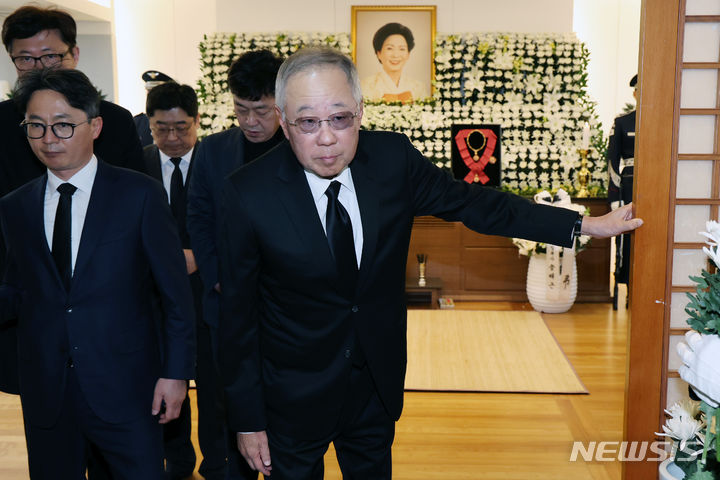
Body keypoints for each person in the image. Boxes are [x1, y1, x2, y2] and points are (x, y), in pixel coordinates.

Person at [217, 47, 643, 479]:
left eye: (340, 118)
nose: (326, 137)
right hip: (290, 395)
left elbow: (475, 204)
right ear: (284, 124)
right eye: (308, 122)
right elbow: (236, 319)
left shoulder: (391, 161)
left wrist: (584, 224)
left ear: (361, 112)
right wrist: (248, 420)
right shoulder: (247, 193)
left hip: (373, 385)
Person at [0, 68, 195, 479]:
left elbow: (175, 294)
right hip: (48, 390)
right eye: (35, 126)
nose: (49, 139)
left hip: (128, 387)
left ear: (95, 126)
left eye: (63, 126)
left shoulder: (139, 194)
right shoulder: (16, 206)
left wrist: (176, 374)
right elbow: (18, 290)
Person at [0, 4, 145, 396]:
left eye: (50, 56)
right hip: (29, 315)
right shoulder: (1, 126)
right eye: (25, 58)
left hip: (109, 315)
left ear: (74, 55)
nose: (38, 66)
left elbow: (142, 213)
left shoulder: (112, 121)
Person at [186, 48, 284, 480]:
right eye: (241, 110)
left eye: (260, 111)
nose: (250, 122)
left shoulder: (306, 147)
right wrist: (218, 277)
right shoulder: (212, 151)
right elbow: (199, 220)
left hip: (288, 309)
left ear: (282, 103)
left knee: (286, 403)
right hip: (226, 303)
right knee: (224, 400)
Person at [143, 81, 208, 479]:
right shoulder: (137, 164)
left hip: (207, 292)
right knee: (167, 379)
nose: (172, 137)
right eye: (161, 128)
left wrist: (201, 256)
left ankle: (217, 462)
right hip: (156, 297)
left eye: (181, 127)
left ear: (197, 122)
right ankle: (178, 461)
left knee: (214, 388)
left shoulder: (217, 162)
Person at [607, 74, 637, 295]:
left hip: (655, 186)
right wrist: (615, 195)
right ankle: (624, 277)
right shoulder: (623, 122)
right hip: (629, 184)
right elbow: (613, 161)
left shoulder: (661, 119)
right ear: (635, 93)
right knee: (626, 235)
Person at [360, 22, 428, 103]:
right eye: (389, 48)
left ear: (408, 54)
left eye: (402, 49)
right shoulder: (365, 86)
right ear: (379, 53)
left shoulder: (418, 88)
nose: (395, 55)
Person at [136, 70, 175, 147]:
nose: (152, 96)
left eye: (157, 92)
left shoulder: (176, 121)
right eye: (149, 92)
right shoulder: (138, 122)